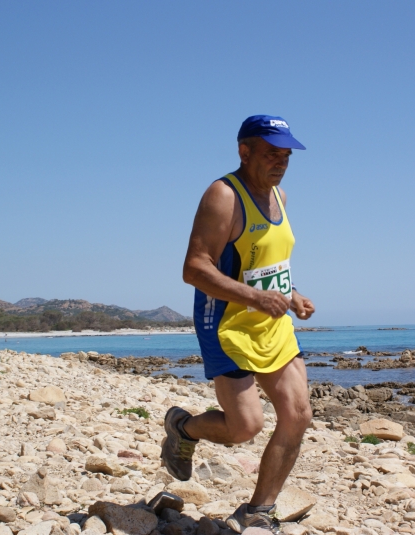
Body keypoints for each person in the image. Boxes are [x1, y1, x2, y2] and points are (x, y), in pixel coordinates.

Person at [162, 115, 316, 533]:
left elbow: (265, 263)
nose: (281, 162)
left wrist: (292, 293)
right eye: (271, 153)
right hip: (226, 323)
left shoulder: (280, 196)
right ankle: (183, 427)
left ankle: (259, 511)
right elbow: (194, 268)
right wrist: (256, 298)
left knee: (298, 415)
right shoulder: (223, 196)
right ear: (244, 152)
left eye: (286, 155)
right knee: (245, 427)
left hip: (272, 323)